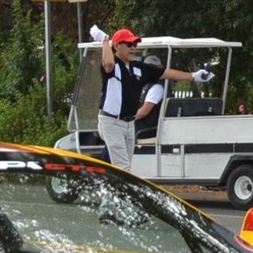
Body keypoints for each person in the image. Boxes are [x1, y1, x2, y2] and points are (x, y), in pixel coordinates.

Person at [91, 26, 213, 169]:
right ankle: (125, 190)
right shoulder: (113, 66)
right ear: (116, 46)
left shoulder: (139, 68)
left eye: (135, 45)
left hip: (129, 123)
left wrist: (194, 76)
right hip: (112, 121)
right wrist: (104, 40)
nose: (133, 48)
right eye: (129, 44)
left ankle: (106, 187)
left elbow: (168, 73)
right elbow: (109, 63)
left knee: (124, 164)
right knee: (123, 167)